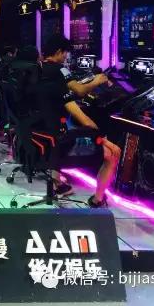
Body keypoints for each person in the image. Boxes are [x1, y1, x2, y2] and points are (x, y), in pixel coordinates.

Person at [35, 35, 121, 208]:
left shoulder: (38, 71)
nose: (65, 57)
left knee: (62, 127)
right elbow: (81, 96)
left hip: (41, 136)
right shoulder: (60, 74)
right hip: (61, 141)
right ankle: (97, 199)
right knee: (114, 152)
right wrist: (97, 81)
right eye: (65, 53)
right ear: (59, 52)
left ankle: (57, 184)